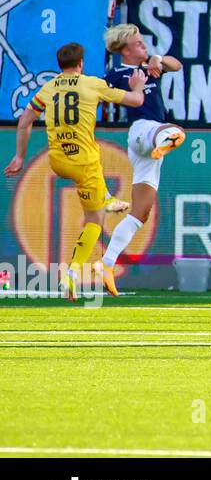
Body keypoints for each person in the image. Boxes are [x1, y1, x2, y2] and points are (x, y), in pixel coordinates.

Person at [5, 43, 145, 300]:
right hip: (83, 163)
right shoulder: (91, 84)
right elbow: (136, 100)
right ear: (81, 64)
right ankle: (71, 274)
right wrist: (137, 86)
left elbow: (25, 121)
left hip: (57, 160)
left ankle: (106, 198)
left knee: (92, 176)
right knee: (95, 220)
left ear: (60, 65)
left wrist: (19, 156)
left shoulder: (47, 88)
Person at [100, 24, 187, 290]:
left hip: (148, 144)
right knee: (176, 132)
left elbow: (177, 65)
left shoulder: (152, 65)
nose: (144, 46)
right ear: (125, 49)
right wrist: (133, 88)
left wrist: (159, 60)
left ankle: (106, 263)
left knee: (140, 213)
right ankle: (165, 143)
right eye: (138, 43)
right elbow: (101, 94)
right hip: (141, 131)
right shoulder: (116, 74)